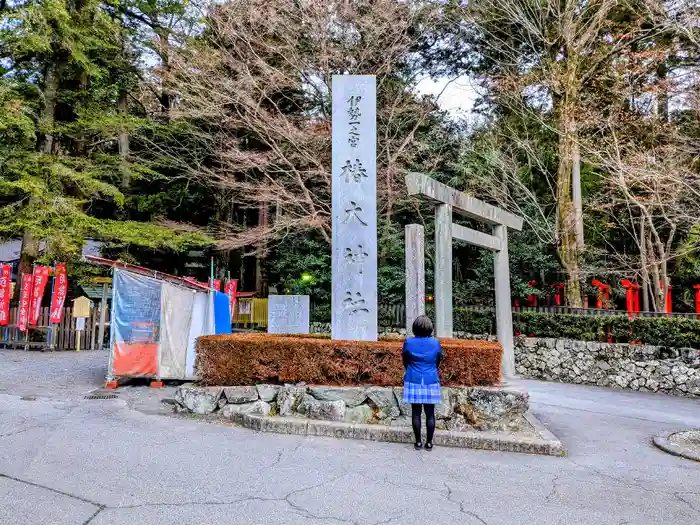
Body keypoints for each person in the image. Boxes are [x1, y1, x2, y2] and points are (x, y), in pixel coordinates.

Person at [402, 315, 443, 451]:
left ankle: (418, 442)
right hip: (431, 379)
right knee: (430, 413)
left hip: (413, 378)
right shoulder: (435, 343)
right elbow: (438, 359)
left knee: (416, 412)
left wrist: (410, 369)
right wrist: (432, 369)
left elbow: (405, 359)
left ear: (415, 328)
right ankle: (429, 443)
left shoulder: (409, 342)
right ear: (430, 328)